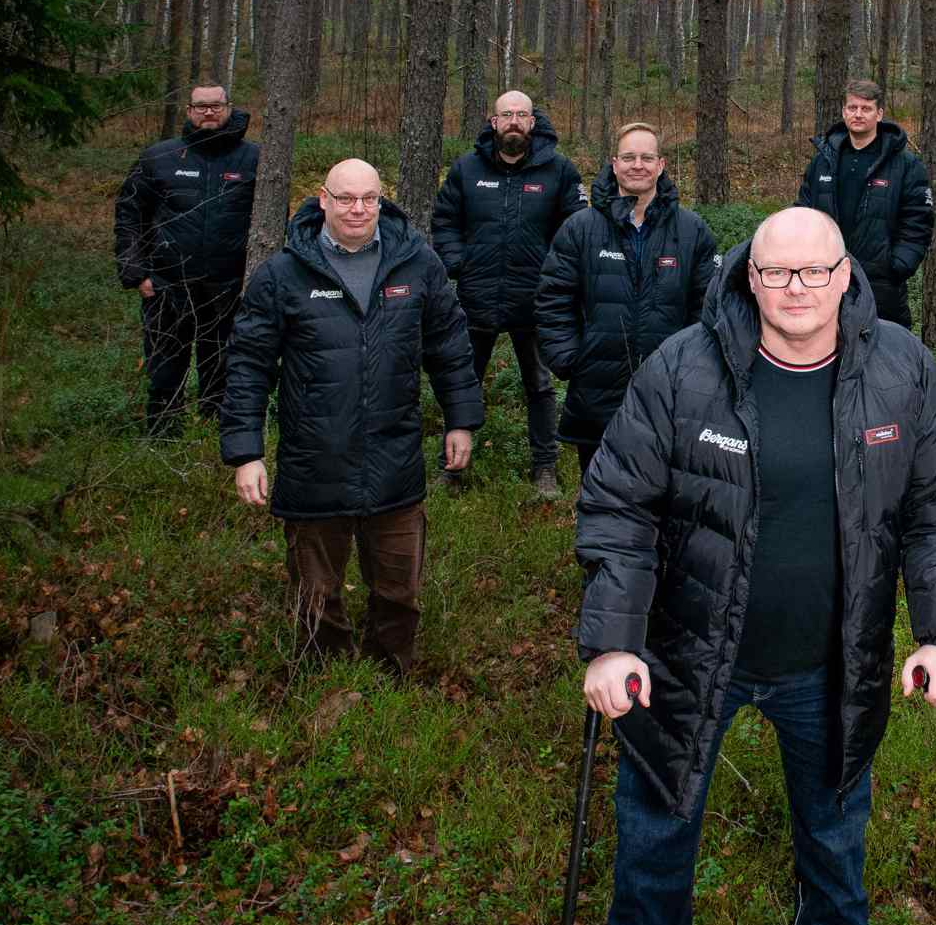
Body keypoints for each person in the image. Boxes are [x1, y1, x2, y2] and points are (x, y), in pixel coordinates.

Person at [574, 207, 936, 925]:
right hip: (685, 656)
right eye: (776, 272)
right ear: (748, 277)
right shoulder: (682, 368)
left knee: (834, 847)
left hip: (831, 660)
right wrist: (612, 643)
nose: (796, 288)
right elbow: (619, 506)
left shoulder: (902, 369)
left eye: (813, 271)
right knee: (654, 846)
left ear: (845, 275)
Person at [222, 159, 482, 678]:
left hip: (395, 459)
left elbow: (450, 347)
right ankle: (324, 676)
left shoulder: (417, 264)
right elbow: (248, 364)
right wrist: (246, 451)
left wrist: (461, 420)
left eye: (369, 198)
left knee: (398, 590)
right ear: (323, 199)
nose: (358, 209)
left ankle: (390, 677)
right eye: (345, 198)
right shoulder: (284, 273)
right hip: (314, 462)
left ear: (382, 200)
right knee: (315, 592)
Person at [534, 122, 718, 477]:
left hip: (669, 390)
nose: (638, 165)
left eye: (647, 158)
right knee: (599, 487)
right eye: (629, 157)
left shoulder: (691, 230)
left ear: (661, 165)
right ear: (614, 164)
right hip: (596, 387)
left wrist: (693, 366)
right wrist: (570, 359)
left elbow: (708, 305)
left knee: (664, 489)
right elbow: (553, 298)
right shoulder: (580, 228)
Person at [431, 90, 584, 498]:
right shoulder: (466, 169)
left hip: (535, 300)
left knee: (540, 385)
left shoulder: (559, 171)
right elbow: (445, 221)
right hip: (476, 297)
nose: (514, 121)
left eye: (521, 114)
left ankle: (545, 468)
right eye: (506, 114)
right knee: (463, 381)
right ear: (493, 121)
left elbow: (575, 230)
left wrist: (555, 276)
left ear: (533, 122)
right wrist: (459, 262)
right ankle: (452, 469)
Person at [113, 82, 259, 436]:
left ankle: (213, 439)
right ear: (189, 111)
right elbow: (129, 213)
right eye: (201, 106)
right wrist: (135, 273)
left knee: (222, 366)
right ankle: (163, 438)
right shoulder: (158, 157)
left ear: (228, 108)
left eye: (216, 105)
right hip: (166, 286)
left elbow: (271, 220)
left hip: (229, 287)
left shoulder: (254, 158)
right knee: (164, 368)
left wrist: (257, 278)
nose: (209, 112)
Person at [792, 79, 932, 328]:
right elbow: (803, 213)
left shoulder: (905, 165)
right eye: (852, 107)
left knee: (881, 348)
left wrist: (897, 266)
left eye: (866, 108)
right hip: (825, 279)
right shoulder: (823, 161)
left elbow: (918, 221)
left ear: (879, 114)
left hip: (881, 286)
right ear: (844, 111)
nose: (858, 114)